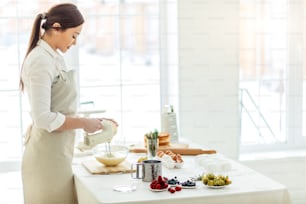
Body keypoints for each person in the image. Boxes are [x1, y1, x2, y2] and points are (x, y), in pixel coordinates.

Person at [20, 3, 117, 204]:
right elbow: (42, 118)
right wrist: (83, 123)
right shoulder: (40, 61)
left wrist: (94, 121)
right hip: (45, 160)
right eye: (74, 35)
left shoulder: (53, 57)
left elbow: (60, 106)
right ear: (56, 28)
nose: (74, 42)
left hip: (57, 154)